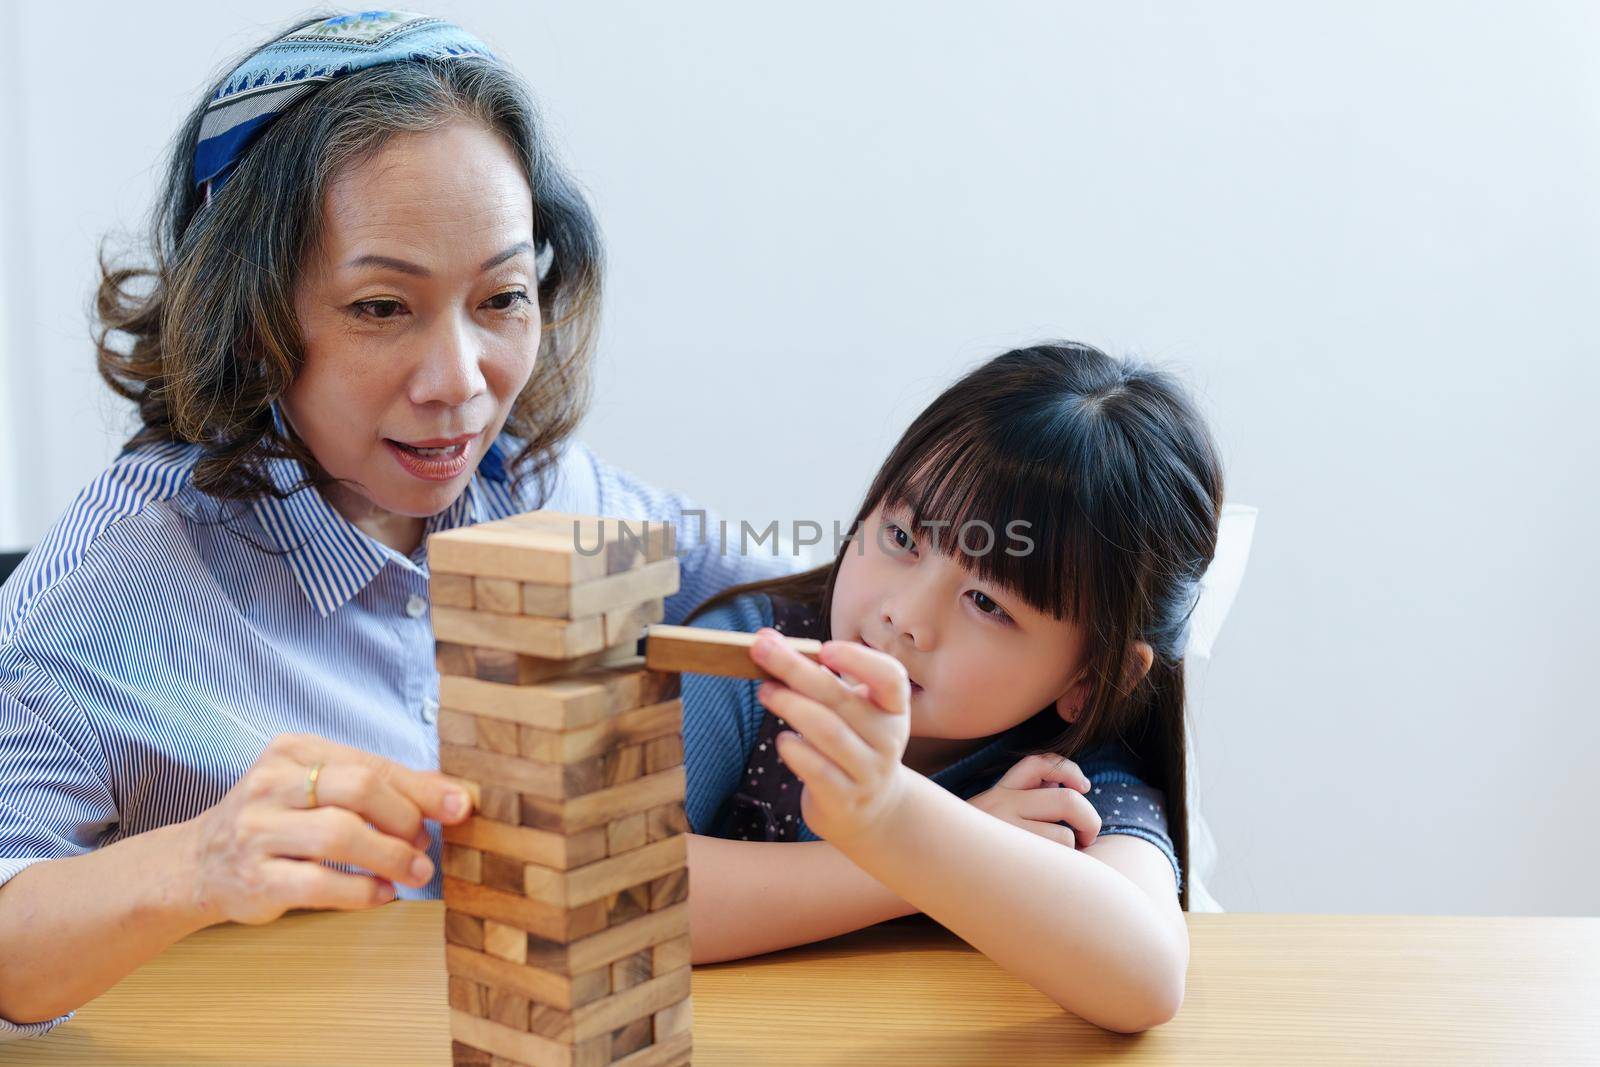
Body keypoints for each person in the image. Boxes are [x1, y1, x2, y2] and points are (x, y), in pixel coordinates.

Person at [0, 11, 788, 1036]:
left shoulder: (551, 490)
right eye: (381, 307)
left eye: (500, 296)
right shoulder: (112, 587)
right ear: (250, 315)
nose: (461, 384)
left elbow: (822, 608)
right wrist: (197, 861)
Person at [677, 342, 1223, 1033]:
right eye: (903, 536)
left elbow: (1144, 980)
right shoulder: (753, 659)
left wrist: (894, 819)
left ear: (1095, 678)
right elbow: (625, 893)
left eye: (988, 602)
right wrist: (889, 850)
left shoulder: (1068, 777)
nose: (905, 616)